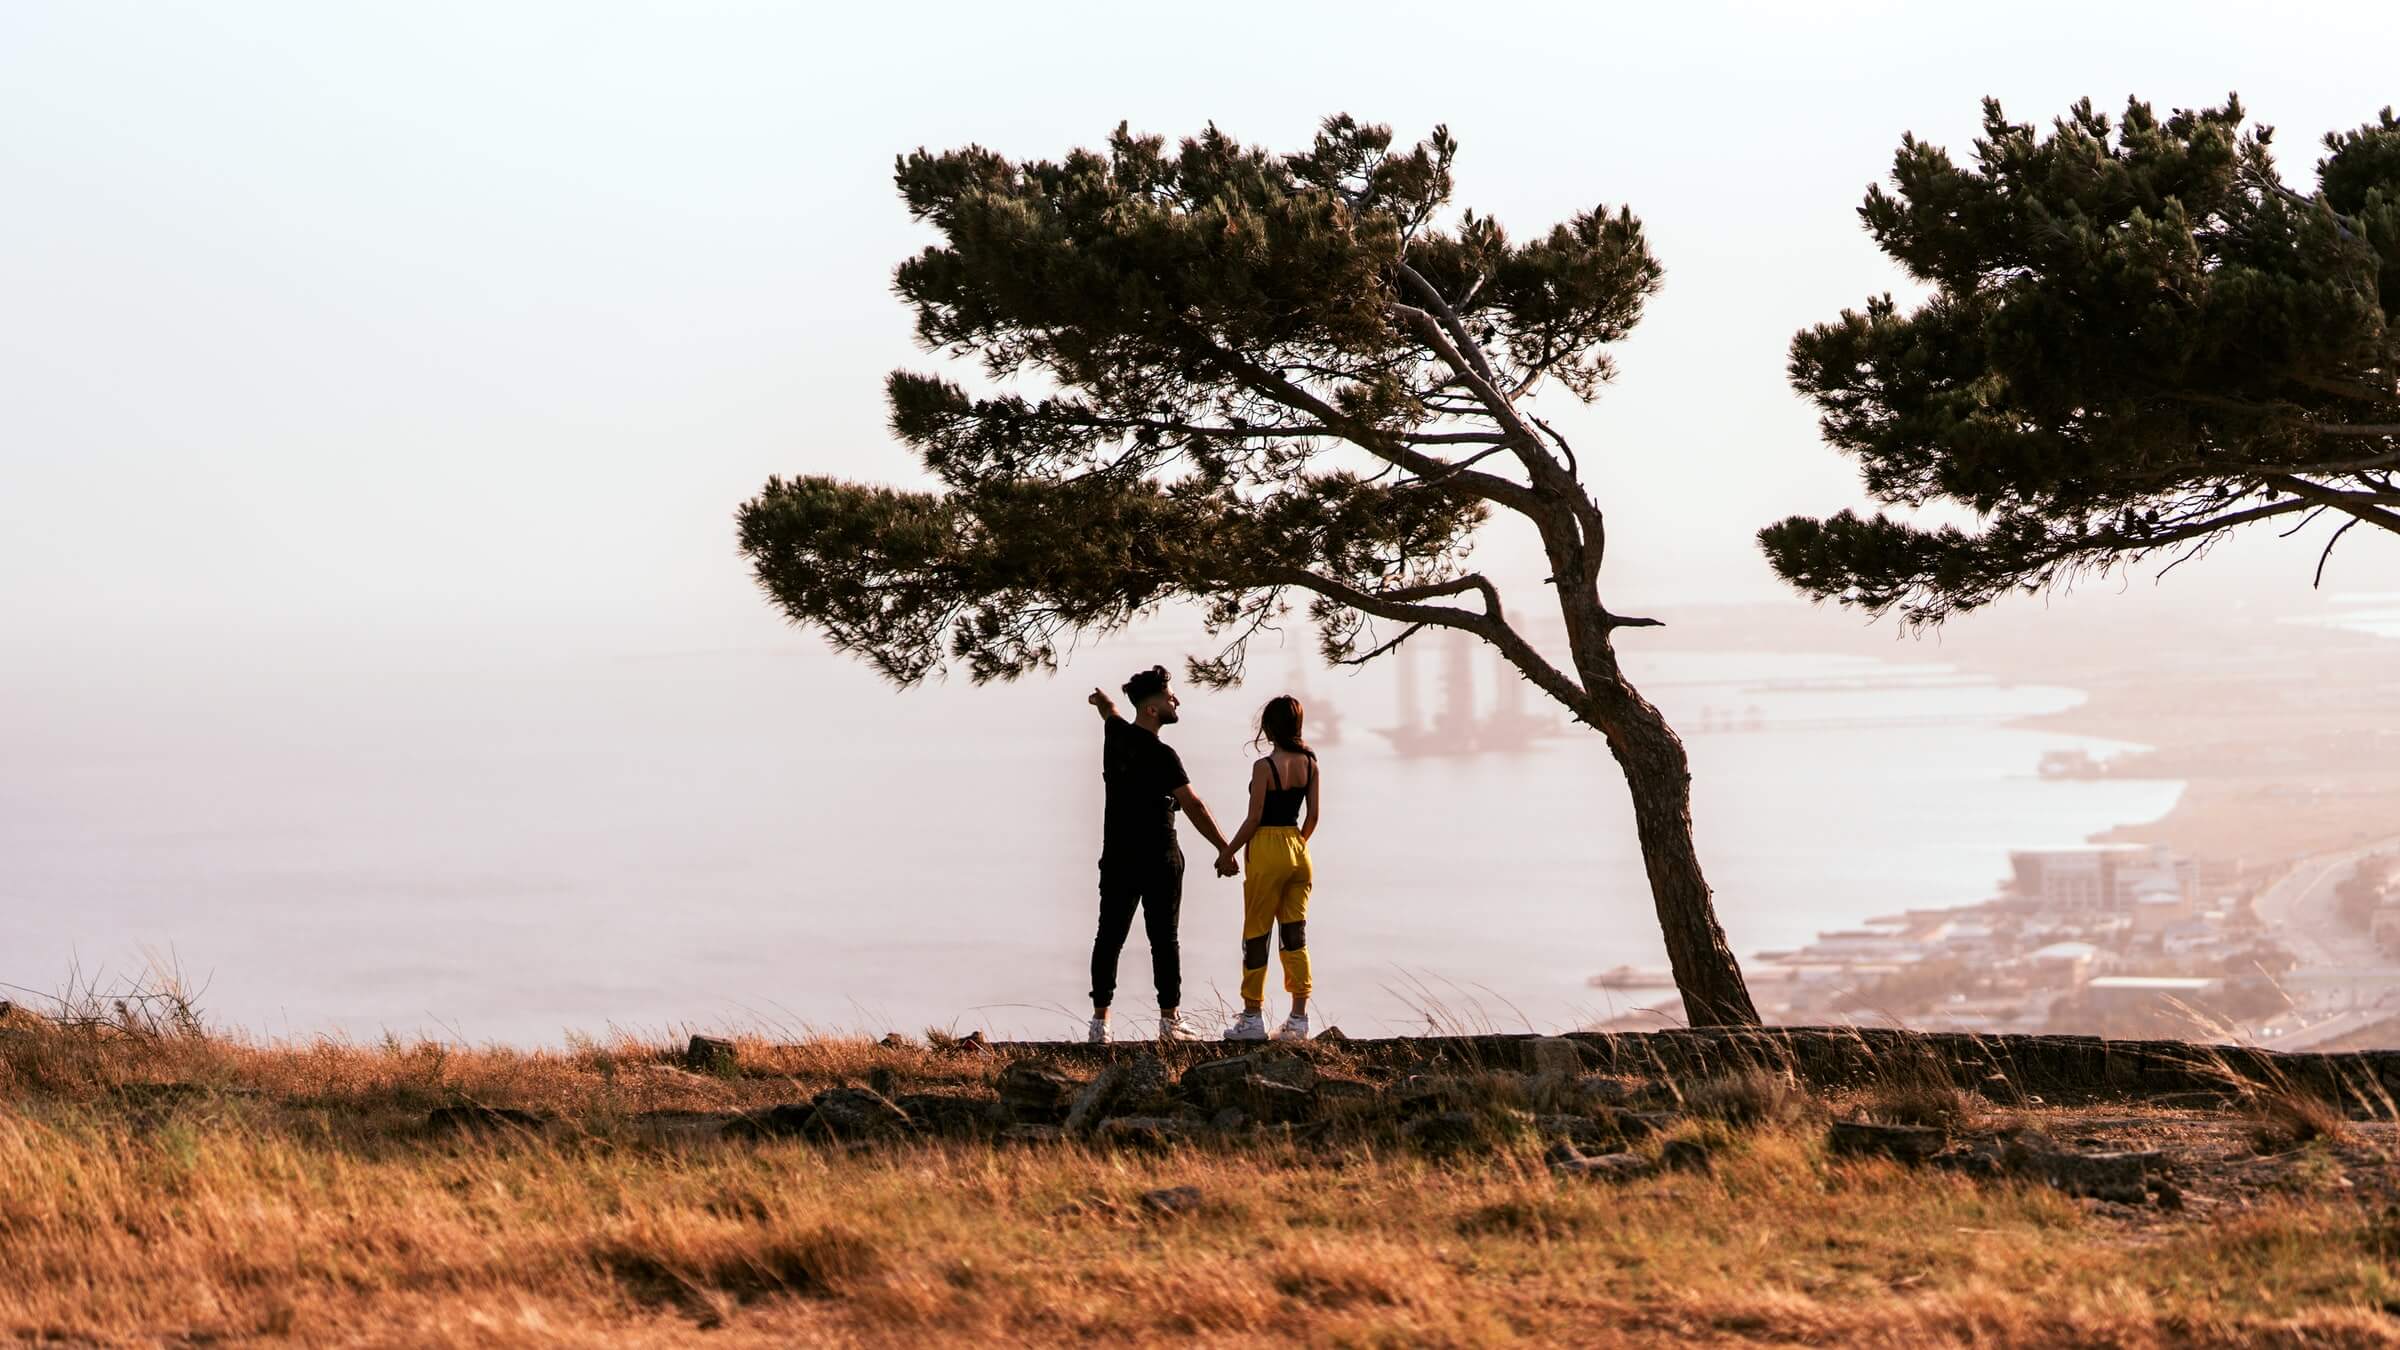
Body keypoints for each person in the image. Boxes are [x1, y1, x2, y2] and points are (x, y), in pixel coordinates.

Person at [1084, 666, 1237, 1044]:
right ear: (1152, 709)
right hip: (1158, 856)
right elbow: (1195, 806)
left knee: (1109, 937)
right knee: (1164, 939)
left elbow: (1111, 714)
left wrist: (1104, 702)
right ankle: (1170, 1022)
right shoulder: (1164, 755)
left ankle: (1100, 1024)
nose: (1176, 701)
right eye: (1170, 697)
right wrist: (1224, 848)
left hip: (1118, 854)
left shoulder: (1116, 736)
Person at [1217, 694, 1320, 1042]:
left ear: (1270, 727)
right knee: (1295, 935)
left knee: (1257, 934)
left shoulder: (1264, 767)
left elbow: (1254, 818)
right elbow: (1313, 816)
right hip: (1298, 848)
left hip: (1267, 848)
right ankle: (1299, 1019)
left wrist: (1227, 852)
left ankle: (1251, 1017)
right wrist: (1297, 843)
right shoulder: (1311, 762)